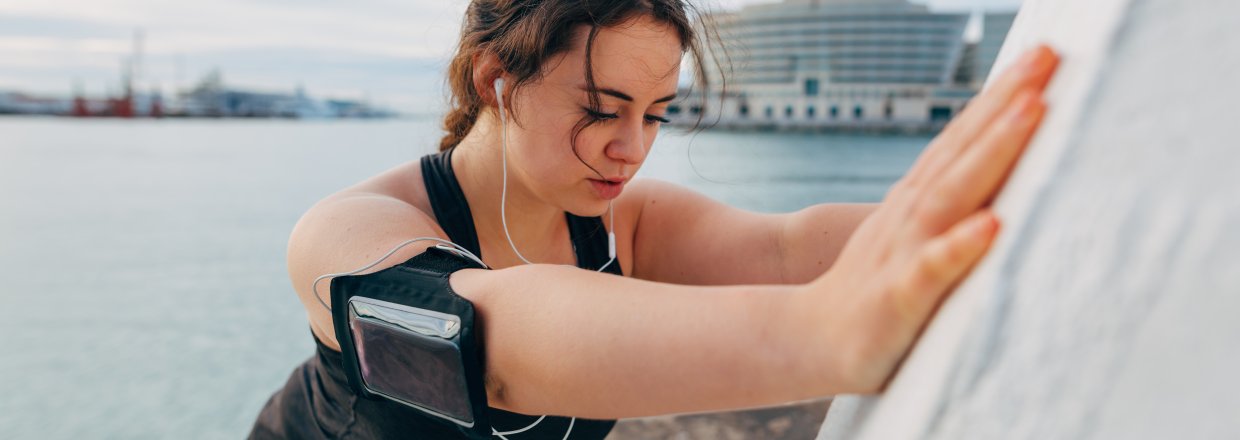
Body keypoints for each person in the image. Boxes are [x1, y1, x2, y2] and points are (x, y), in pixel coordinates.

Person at [249, 0, 1060, 438]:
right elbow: (490, 340)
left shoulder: (619, 225)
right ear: (497, 80)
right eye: (603, 110)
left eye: (657, 113)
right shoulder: (348, 231)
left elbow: (780, 249)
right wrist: (825, 333)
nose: (631, 149)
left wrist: (1003, 216)